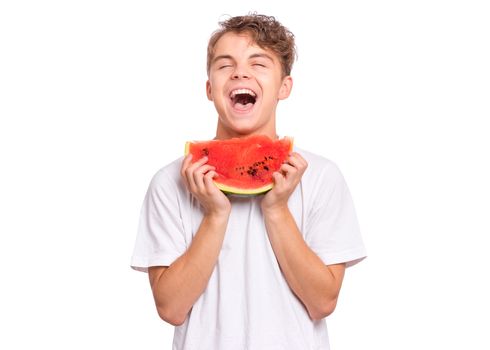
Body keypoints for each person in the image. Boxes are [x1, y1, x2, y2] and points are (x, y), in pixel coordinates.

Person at [131, 13, 367, 350]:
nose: (240, 72)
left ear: (284, 87)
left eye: (259, 64)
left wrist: (276, 210)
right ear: (210, 88)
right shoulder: (171, 182)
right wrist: (214, 215)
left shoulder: (321, 177)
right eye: (225, 64)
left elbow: (322, 303)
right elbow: (170, 308)